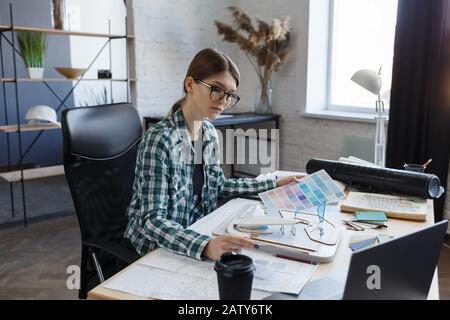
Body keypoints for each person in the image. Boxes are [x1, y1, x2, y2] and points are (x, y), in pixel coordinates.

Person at [124, 48, 303, 261]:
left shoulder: (208, 132)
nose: (223, 101)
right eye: (216, 89)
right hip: (156, 247)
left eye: (229, 95)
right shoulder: (160, 139)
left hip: (195, 232)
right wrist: (206, 246)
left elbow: (218, 185)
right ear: (190, 84)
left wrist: (274, 184)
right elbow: (152, 221)